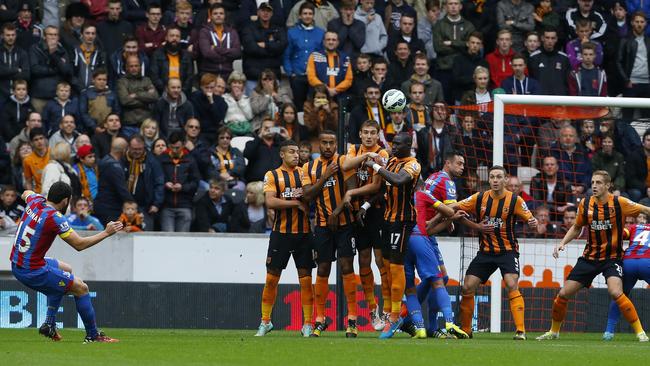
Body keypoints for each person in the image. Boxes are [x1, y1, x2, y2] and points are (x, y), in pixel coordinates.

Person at [537, 171, 650, 342]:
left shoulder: (620, 203)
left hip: (612, 258)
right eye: (592, 182)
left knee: (616, 292)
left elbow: (645, 209)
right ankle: (554, 331)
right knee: (563, 294)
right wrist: (562, 243)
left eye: (598, 182)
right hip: (589, 258)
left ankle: (640, 333)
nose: (594, 186)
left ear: (607, 185)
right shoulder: (585, 203)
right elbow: (577, 227)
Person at [10, 183, 123, 343]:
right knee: (81, 288)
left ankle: (49, 324)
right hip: (32, 270)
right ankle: (93, 335)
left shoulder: (35, 201)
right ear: (65, 200)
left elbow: (26, 192)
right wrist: (106, 233)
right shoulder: (54, 217)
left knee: (66, 270)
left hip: (20, 263)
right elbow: (79, 244)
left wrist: (36, 196)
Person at [456, 165, 538, 340]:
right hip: (485, 252)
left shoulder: (515, 200)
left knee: (511, 284)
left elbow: (531, 219)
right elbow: (456, 206)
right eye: (492, 177)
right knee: (467, 286)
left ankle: (520, 331)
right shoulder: (479, 198)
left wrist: (533, 222)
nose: (495, 180)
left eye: (499, 177)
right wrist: (440, 205)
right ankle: (466, 330)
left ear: (506, 180)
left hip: (508, 251)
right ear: (489, 180)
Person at [403, 150, 474, 338]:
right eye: (459, 163)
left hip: (414, 232)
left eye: (463, 164)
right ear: (447, 164)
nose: (462, 167)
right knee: (439, 278)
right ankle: (426, 324)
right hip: (422, 234)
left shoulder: (433, 177)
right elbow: (451, 208)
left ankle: (415, 321)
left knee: (435, 279)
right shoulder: (447, 181)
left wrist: (440, 220)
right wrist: (444, 220)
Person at [364, 132, 421, 338]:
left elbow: (398, 181)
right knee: (386, 267)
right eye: (393, 143)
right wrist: (367, 204)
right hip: (387, 219)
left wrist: (376, 167)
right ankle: (390, 312)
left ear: (408, 145)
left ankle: (395, 317)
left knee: (396, 267)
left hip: (403, 221)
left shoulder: (413, 165)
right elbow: (385, 190)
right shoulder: (393, 160)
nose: (393, 146)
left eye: (398, 144)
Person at [301, 130, 358, 337]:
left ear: (336, 144)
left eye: (331, 143)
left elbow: (352, 192)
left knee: (346, 266)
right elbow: (307, 195)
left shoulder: (344, 162)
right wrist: (325, 177)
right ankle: (320, 318)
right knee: (323, 268)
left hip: (345, 223)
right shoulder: (309, 167)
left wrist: (337, 211)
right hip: (323, 226)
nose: (327, 146)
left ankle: (352, 319)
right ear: (318, 145)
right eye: (323, 142)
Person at [255, 139, 314, 337]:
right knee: (271, 279)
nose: (296, 155)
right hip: (280, 233)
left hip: (304, 234)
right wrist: (296, 204)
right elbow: (270, 201)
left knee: (305, 281)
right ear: (282, 154)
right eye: (291, 151)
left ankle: (307, 324)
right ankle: (265, 321)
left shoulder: (305, 173)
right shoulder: (272, 175)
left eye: (297, 151)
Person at [603, 213, 650, 340]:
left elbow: (621, 234)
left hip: (628, 262)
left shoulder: (633, 227)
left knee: (619, 296)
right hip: (647, 262)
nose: (640, 219)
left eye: (642, 217)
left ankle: (608, 332)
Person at [283, 2, 325, 112]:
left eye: (310, 13)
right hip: (297, 75)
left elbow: (322, 55)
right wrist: (290, 73)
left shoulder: (321, 33)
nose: (307, 16)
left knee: (315, 106)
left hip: (315, 77)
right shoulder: (292, 33)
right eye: (305, 13)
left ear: (313, 15)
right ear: (300, 16)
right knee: (299, 106)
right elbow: (287, 54)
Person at [432, 0, 475, 103]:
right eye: (450, 4)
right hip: (444, 69)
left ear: (460, 6)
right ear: (446, 7)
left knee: (464, 103)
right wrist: (462, 45)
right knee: (445, 102)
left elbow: (470, 47)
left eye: (456, 4)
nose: (453, 7)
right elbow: (438, 47)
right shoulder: (439, 25)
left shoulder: (468, 25)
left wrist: (451, 43)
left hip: (463, 71)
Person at [240, 2, 288, 92]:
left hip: (273, 77)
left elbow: (282, 46)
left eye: (268, 11)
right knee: (254, 105)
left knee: (275, 104)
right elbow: (250, 48)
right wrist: (273, 49)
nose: (265, 13)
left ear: (272, 14)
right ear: (258, 12)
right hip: (253, 76)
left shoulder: (278, 29)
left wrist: (265, 45)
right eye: (263, 11)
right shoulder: (248, 28)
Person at [158, 132, 200, 232]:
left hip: (185, 205)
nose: (175, 150)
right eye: (172, 147)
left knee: (183, 240)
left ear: (184, 144)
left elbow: (195, 182)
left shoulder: (190, 160)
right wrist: (165, 184)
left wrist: (183, 187)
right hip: (166, 206)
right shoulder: (161, 159)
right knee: (168, 239)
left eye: (178, 147)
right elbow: (156, 179)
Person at [29, 26, 73, 113]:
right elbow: (35, 69)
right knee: (37, 123)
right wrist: (55, 70)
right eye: (50, 34)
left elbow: (67, 71)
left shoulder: (62, 50)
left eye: (55, 35)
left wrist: (53, 54)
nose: (53, 37)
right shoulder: (35, 49)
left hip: (56, 97)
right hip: (39, 95)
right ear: (44, 36)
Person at [617, 12, 650, 119]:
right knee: (627, 117)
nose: (639, 24)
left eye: (642, 22)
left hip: (647, 84)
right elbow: (618, 62)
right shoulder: (625, 40)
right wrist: (626, 80)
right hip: (631, 83)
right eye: (637, 21)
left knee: (647, 118)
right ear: (632, 23)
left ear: (645, 24)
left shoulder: (649, 41)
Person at [116, 55, 159, 135]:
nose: (134, 68)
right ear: (126, 68)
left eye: (136, 66)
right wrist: (146, 100)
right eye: (131, 66)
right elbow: (124, 101)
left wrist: (136, 95)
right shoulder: (122, 82)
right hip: (129, 124)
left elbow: (155, 97)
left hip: (146, 124)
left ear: (140, 67)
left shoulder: (146, 80)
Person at [94, 137, 133, 225]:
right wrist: (132, 203)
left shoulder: (104, 160)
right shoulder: (114, 167)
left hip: (102, 204)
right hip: (110, 208)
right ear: (124, 150)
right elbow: (121, 189)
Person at [198, 3, 241, 78]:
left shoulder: (232, 31)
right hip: (209, 73)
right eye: (215, 13)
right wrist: (227, 56)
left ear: (225, 16)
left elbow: (237, 52)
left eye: (221, 13)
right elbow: (207, 53)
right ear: (210, 16)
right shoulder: (204, 31)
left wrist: (216, 48)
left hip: (228, 74)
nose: (218, 15)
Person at [306, 31, 353, 98]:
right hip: (319, 96)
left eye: (334, 40)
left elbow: (348, 79)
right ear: (324, 42)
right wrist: (326, 90)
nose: (331, 42)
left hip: (339, 96)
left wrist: (335, 90)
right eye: (328, 39)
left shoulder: (345, 58)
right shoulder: (314, 56)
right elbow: (311, 77)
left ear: (337, 42)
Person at [150, 26, 194, 96]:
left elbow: (189, 77)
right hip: (163, 92)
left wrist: (181, 91)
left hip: (182, 92)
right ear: (166, 38)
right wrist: (166, 90)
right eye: (172, 36)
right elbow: (154, 77)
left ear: (180, 39)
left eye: (177, 36)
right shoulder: (157, 54)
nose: (175, 38)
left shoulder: (186, 55)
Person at [528, 28, 571, 95]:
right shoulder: (533, 58)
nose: (550, 41)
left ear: (556, 39)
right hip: (539, 99)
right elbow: (530, 79)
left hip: (559, 99)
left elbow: (568, 81)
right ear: (542, 38)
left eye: (552, 38)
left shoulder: (563, 58)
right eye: (547, 38)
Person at [79, 68, 121, 134]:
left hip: (108, 130)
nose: (102, 82)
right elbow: (83, 113)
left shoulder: (112, 94)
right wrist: (94, 126)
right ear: (93, 80)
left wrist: (108, 125)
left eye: (104, 80)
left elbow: (116, 111)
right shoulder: (86, 94)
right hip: (90, 130)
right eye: (99, 79)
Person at [530, 156, 573, 220]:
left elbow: (569, 203)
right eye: (547, 165)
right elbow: (537, 202)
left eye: (552, 164)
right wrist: (556, 208)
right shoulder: (536, 180)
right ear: (543, 168)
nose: (549, 167)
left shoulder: (565, 183)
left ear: (557, 167)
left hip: (560, 214)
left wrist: (565, 207)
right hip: (541, 212)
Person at [452, 32, 490, 103]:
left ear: (481, 46)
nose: (475, 45)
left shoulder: (484, 62)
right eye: (473, 42)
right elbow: (456, 79)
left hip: (480, 99)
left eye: (478, 43)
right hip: (461, 98)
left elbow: (486, 81)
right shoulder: (458, 59)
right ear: (467, 43)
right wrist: (475, 79)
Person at [190, 73, 228, 144]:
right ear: (201, 87)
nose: (209, 90)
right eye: (207, 87)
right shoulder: (195, 98)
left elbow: (218, 119)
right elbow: (196, 118)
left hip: (216, 133)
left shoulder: (220, 101)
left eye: (212, 88)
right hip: (201, 132)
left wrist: (212, 103)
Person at [71, 24, 106, 92]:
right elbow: (70, 74)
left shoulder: (100, 53)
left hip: (94, 92)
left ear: (95, 36)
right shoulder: (74, 51)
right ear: (81, 34)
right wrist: (79, 87)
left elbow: (103, 73)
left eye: (93, 33)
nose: (90, 36)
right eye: (87, 33)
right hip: (77, 91)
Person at [0, 23, 30, 103]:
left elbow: (26, 74)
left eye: (13, 35)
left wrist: (5, 73)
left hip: (18, 95)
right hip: (1, 95)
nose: (11, 37)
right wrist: (16, 70)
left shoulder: (22, 53)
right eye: (8, 35)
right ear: (2, 36)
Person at [23, 128, 50, 193]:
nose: (39, 141)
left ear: (45, 139)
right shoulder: (28, 160)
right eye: (36, 139)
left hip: (56, 192)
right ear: (31, 143)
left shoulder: (54, 153)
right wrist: (31, 197)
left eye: (41, 138)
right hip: (40, 193)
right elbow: (28, 182)